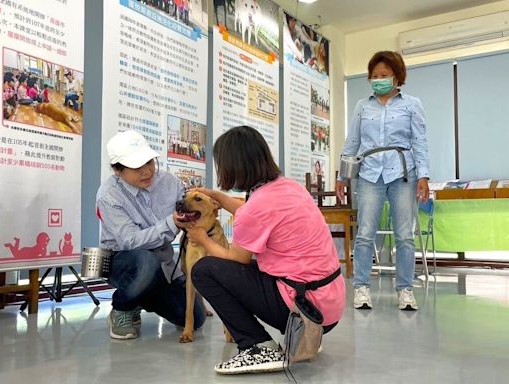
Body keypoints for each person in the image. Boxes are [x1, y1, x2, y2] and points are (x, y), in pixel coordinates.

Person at [186, 126, 346, 375]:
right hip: (329, 305)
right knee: (251, 267)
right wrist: (215, 195)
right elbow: (249, 210)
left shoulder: (256, 206)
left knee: (204, 270)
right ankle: (304, 336)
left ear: (233, 166)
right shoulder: (288, 187)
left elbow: (237, 258)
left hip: (303, 306)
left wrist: (201, 239)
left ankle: (257, 346)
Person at [336, 51, 430, 311]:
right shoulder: (362, 106)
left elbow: (419, 142)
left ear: (397, 76)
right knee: (365, 234)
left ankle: (405, 289)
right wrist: (342, 175)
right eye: (374, 76)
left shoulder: (411, 105)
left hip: (402, 174)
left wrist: (423, 175)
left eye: (384, 75)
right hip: (369, 174)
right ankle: (362, 288)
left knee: (404, 236)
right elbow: (352, 142)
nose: (378, 80)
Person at [96, 130, 206, 339]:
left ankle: (140, 295)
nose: (147, 171)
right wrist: (171, 222)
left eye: (150, 163)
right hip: (123, 260)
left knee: (195, 318)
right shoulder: (109, 195)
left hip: (164, 263)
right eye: (137, 167)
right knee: (145, 262)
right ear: (117, 170)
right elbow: (130, 241)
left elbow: (189, 209)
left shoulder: (169, 182)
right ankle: (122, 308)